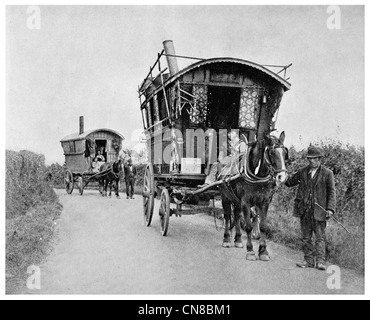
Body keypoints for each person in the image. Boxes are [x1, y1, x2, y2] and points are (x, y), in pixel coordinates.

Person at [285, 145, 336, 271]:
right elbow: (290, 182)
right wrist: (282, 175)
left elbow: (332, 192)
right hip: (304, 210)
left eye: (314, 159)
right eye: (309, 158)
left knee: (320, 237)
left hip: (320, 211)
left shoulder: (327, 173)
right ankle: (308, 260)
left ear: (319, 159)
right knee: (306, 237)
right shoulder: (302, 172)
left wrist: (330, 209)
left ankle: (320, 262)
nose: (311, 161)